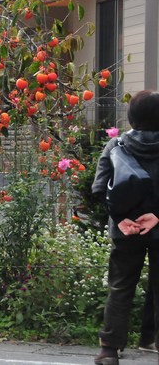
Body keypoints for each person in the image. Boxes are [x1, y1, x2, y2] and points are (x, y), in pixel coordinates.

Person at [91, 90, 159, 365]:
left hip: (125, 229)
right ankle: (149, 339)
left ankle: (109, 349)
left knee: (120, 286)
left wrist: (120, 218)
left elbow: (99, 188)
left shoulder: (116, 145)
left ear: (131, 116)